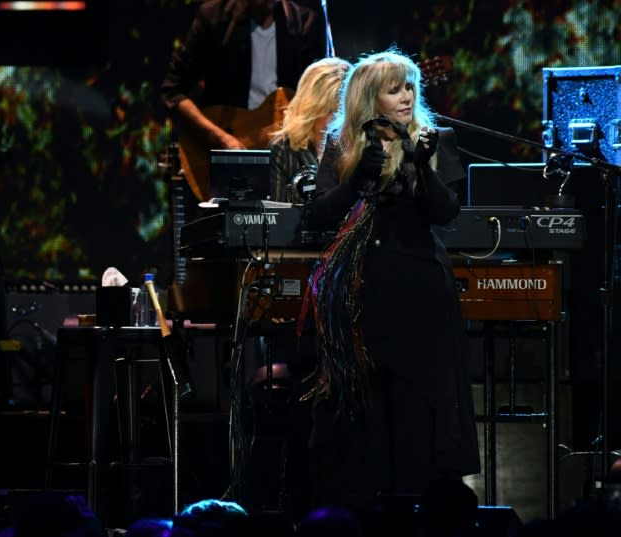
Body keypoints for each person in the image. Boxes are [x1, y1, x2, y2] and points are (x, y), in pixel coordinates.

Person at [303, 47, 481, 511]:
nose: (407, 96)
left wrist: (421, 167)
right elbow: (320, 215)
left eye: (410, 87)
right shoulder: (342, 143)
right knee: (371, 406)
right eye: (395, 88)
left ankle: (423, 501)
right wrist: (357, 178)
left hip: (421, 289)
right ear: (369, 98)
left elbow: (445, 214)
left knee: (420, 404)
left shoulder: (436, 139)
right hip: (364, 292)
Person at [160, 0, 329, 202]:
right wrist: (221, 138)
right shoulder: (214, 16)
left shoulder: (306, 19)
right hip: (224, 155)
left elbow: (322, 90)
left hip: (288, 161)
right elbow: (174, 90)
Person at [268, 56, 351, 203]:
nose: (338, 120)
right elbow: (278, 218)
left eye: (344, 112)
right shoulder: (284, 149)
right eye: (331, 111)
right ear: (311, 110)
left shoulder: (364, 148)